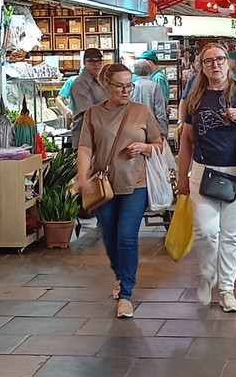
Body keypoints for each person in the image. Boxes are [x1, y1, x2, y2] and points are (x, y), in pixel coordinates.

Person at [177, 42, 236, 312]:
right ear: (201, 67)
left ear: (229, 62)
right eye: (208, 61)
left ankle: (227, 289)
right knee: (205, 231)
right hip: (204, 172)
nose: (215, 65)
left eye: (220, 59)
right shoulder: (195, 96)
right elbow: (187, 138)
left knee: (231, 235)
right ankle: (207, 274)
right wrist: (182, 177)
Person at [76, 64, 165, 318]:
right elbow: (85, 148)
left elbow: (159, 143)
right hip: (103, 186)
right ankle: (119, 273)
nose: (126, 90)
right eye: (120, 86)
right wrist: (83, 177)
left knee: (127, 236)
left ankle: (126, 293)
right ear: (107, 85)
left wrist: (144, 148)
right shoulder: (93, 115)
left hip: (136, 183)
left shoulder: (141, 112)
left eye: (129, 85)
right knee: (110, 237)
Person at [69, 49, 107, 149]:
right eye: (91, 61)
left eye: (99, 62)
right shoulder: (80, 84)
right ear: (84, 62)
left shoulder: (101, 81)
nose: (96, 65)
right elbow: (88, 113)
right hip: (86, 139)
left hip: (101, 136)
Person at [130, 58, 169, 136]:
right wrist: (163, 131)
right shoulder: (155, 87)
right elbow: (160, 112)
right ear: (149, 70)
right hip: (151, 128)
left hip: (134, 127)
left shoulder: (131, 86)